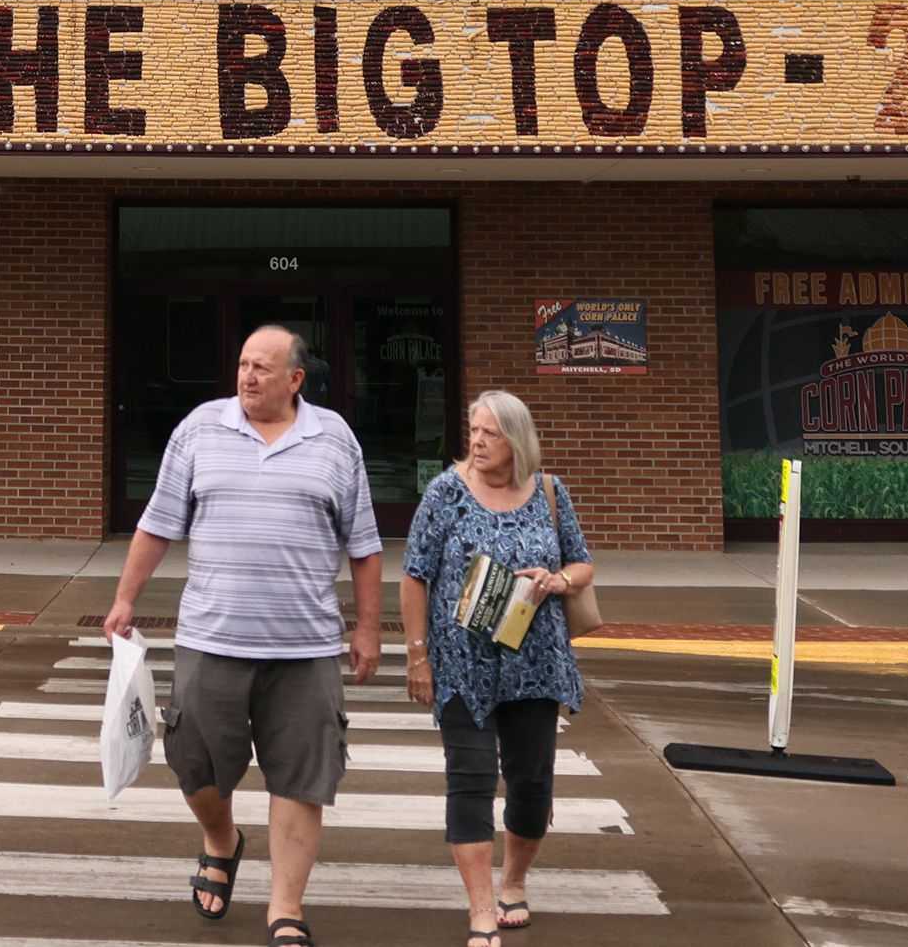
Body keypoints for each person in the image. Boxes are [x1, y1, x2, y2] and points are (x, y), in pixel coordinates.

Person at [107, 325, 382, 947]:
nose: (248, 376)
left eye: (262, 367)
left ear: (295, 380)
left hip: (305, 648)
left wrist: (367, 628)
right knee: (193, 764)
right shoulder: (201, 429)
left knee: (301, 778)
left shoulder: (334, 438)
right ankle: (220, 837)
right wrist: (125, 599)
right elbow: (157, 524)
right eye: (242, 364)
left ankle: (285, 909)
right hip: (211, 638)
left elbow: (364, 547)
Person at [397, 392, 594, 944]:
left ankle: (514, 881)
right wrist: (418, 656)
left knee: (531, 784)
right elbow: (415, 575)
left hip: (535, 666)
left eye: (490, 433)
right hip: (462, 666)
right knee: (470, 782)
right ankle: (480, 907)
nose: (477, 442)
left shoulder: (550, 493)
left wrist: (560, 580)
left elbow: (582, 562)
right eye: (473, 430)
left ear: (517, 440)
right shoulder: (445, 494)